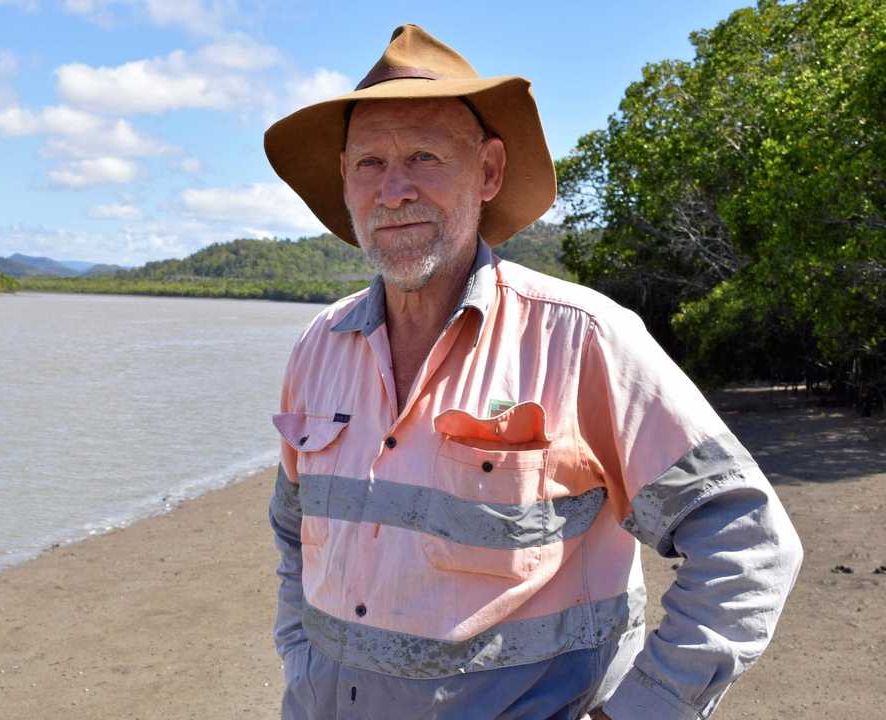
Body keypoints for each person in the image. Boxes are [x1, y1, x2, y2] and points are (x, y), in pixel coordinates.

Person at [263, 24, 802, 720]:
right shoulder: (319, 345)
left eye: (423, 155)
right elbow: (290, 532)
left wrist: (639, 711)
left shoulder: (581, 339)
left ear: (487, 171)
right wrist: (299, 654)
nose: (393, 190)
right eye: (369, 163)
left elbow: (747, 542)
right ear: (344, 179)